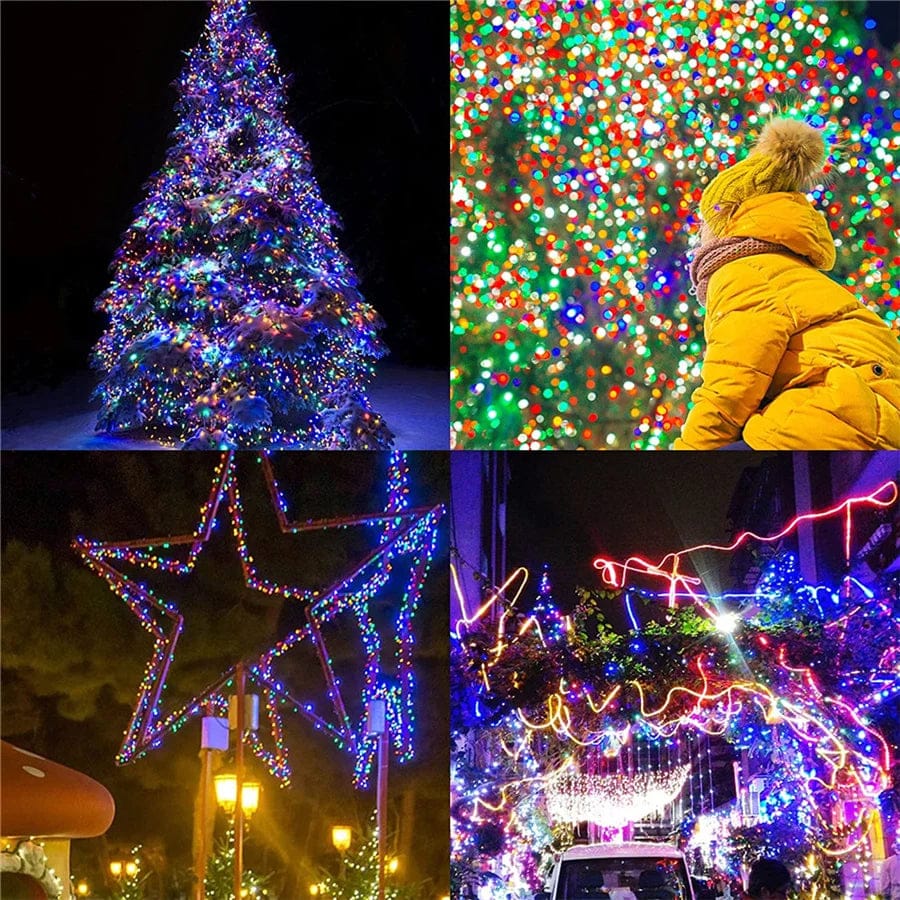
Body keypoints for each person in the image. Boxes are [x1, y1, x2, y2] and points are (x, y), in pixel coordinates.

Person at [674, 115, 900, 450]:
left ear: (728, 219)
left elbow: (730, 387)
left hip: (846, 409)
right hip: (872, 405)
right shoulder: (785, 263)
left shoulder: (745, 270)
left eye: (704, 223)